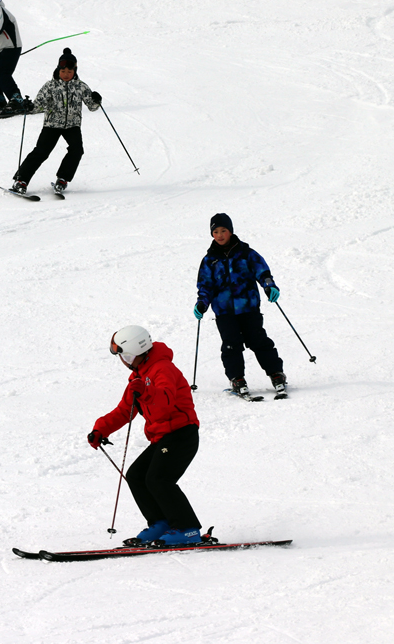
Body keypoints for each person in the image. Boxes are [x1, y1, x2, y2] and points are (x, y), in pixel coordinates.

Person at [87, 325, 203, 546]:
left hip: (181, 434)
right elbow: (124, 410)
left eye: (123, 355)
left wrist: (146, 391)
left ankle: (188, 529)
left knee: (159, 479)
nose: (122, 360)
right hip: (162, 437)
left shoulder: (163, 369)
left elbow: (166, 402)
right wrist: (101, 428)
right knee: (137, 476)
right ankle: (162, 523)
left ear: (131, 353)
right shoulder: (138, 376)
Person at [194, 213, 287, 397]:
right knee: (231, 345)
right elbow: (205, 286)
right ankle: (237, 378)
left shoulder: (246, 253)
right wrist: (202, 303)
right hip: (224, 312)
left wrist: (269, 286)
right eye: (215, 232)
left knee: (258, 340)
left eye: (223, 230)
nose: (220, 235)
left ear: (230, 231)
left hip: (249, 308)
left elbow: (262, 271)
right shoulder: (209, 260)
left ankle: (276, 373)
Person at [10, 48, 101, 195]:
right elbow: (38, 106)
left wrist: (97, 100)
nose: (66, 75)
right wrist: (30, 106)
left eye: (70, 72)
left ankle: (63, 179)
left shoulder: (81, 86)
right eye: (63, 71)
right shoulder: (50, 86)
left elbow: (92, 106)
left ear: (75, 71)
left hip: (72, 125)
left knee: (77, 150)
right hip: (52, 125)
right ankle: (21, 180)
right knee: (41, 152)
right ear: (58, 69)